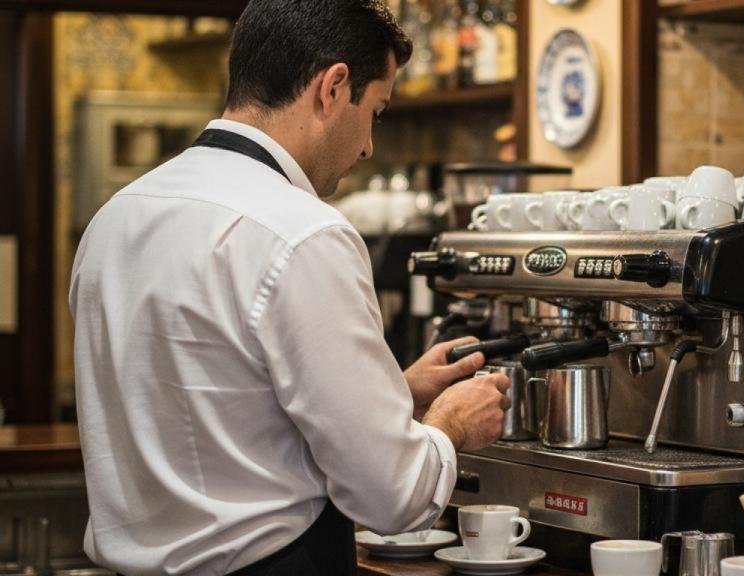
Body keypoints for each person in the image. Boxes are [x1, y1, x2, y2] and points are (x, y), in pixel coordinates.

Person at [69, 1, 511, 574]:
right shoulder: (304, 233)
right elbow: (390, 497)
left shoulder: (118, 216)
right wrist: (449, 423)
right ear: (333, 87)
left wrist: (388, 395)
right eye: (376, 112)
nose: (369, 147)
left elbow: (210, 408)